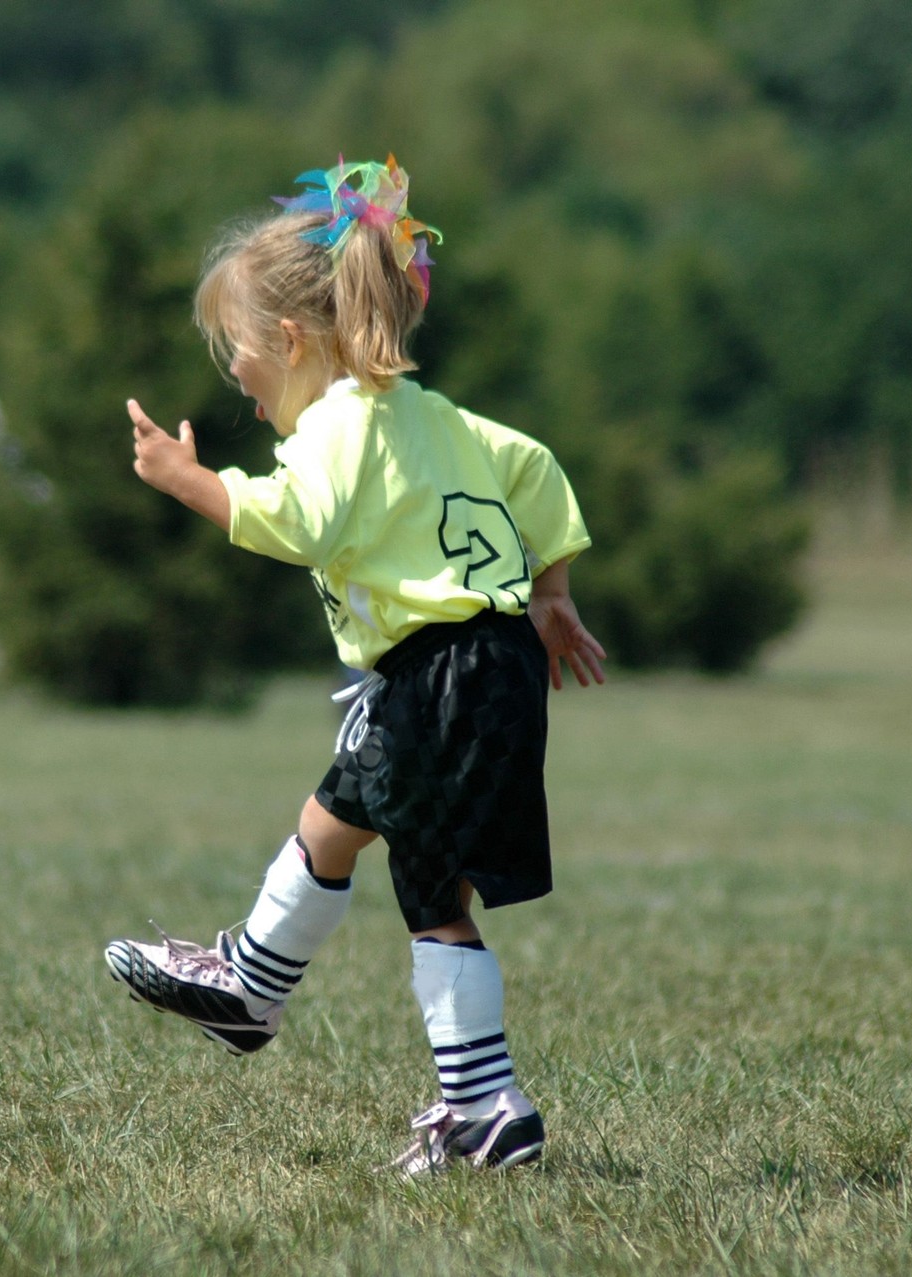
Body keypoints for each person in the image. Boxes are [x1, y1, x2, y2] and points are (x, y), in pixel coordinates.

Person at [104, 156, 606, 1175]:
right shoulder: (432, 416)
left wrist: (187, 480)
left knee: (434, 898)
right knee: (335, 818)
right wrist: (551, 593)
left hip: (440, 673)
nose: (235, 377)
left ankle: (485, 1105)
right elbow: (537, 469)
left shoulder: (339, 424)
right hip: (488, 664)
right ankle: (250, 986)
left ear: (291, 339)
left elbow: (294, 522)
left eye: (237, 352)